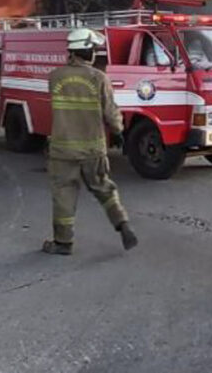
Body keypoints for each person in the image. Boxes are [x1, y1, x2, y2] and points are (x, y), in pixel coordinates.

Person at [42, 28, 137, 256]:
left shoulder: (55, 76)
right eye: (93, 49)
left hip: (62, 150)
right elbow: (111, 112)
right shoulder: (99, 78)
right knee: (104, 188)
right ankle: (122, 224)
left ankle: (63, 243)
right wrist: (118, 131)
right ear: (87, 51)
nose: (95, 53)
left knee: (64, 194)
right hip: (93, 148)